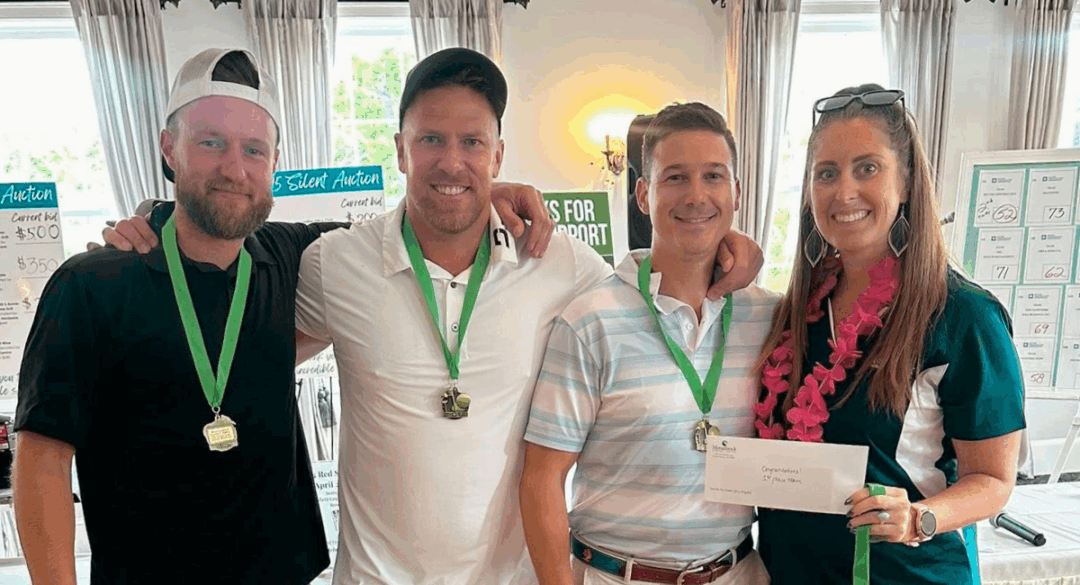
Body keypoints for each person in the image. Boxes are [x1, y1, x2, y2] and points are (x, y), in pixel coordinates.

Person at [15, 47, 552, 585]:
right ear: (168, 149)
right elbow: (41, 460)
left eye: (254, 150)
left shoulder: (293, 256)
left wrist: (476, 195)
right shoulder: (92, 283)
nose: (234, 168)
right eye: (211, 143)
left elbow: (409, 226)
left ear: (275, 163)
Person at [290, 49, 764, 585]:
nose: (451, 161)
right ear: (400, 150)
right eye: (430, 140)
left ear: (497, 156)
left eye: (472, 142)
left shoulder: (559, 263)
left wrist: (721, 242)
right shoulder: (335, 263)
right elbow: (266, 360)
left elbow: (654, 280)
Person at [752, 84, 1025, 585]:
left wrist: (920, 517)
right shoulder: (796, 316)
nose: (844, 191)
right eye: (826, 173)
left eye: (867, 168)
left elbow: (993, 480)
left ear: (905, 183)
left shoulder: (963, 317)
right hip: (790, 573)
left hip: (907, 575)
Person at [518, 102, 776, 585]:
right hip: (617, 576)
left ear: (737, 193)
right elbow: (540, 479)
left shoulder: (769, 316)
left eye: (714, 176)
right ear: (642, 194)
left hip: (738, 572)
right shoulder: (590, 321)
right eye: (675, 177)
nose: (696, 196)